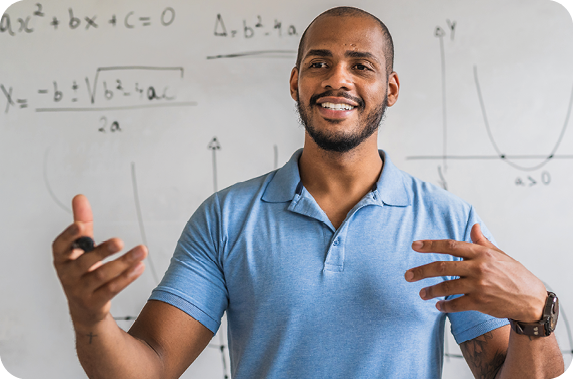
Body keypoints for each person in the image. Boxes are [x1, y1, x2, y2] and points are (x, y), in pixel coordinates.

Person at [52, 6, 565, 379]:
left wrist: (535, 315)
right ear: (296, 81)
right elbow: (152, 369)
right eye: (319, 63)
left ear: (390, 88)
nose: (336, 78)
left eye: (360, 65)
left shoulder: (450, 222)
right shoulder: (226, 218)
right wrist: (89, 317)